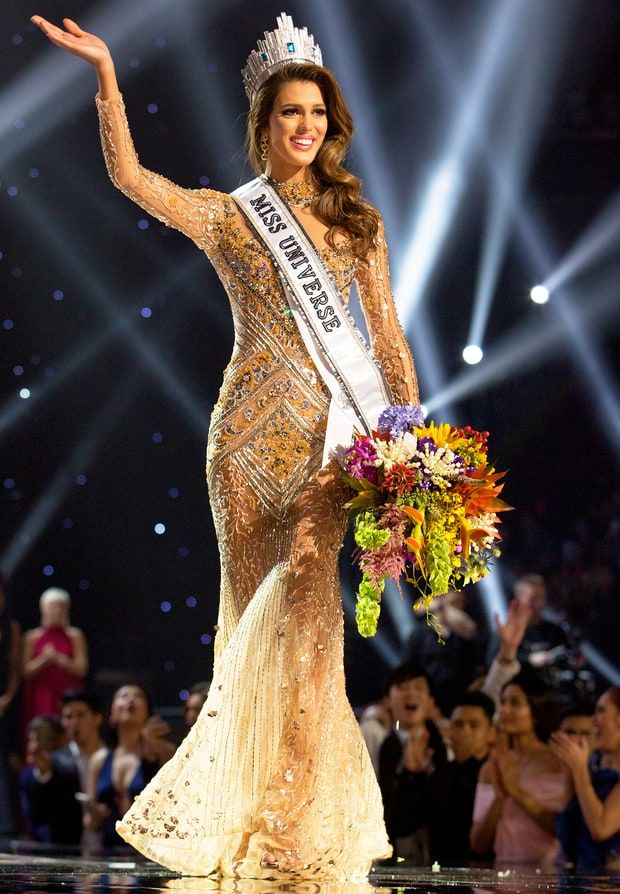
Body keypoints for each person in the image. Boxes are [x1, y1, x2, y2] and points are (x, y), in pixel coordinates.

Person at [30, 11, 417, 879]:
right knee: (251, 629)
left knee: (313, 629)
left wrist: (407, 454)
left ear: (332, 122)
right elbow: (130, 177)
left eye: (317, 112)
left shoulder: (361, 226)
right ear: (264, 124)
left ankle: (288, 819)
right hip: (241, 443)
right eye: (290, 113)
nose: (306, 126)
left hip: (328, 449)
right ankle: (245, 809)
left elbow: (388, 350)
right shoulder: (231, 219)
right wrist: (105, 78)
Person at [470, 670, 569, 867]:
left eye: (515, 703)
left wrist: (517, 792)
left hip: (551, 876)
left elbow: (566, 831)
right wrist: (499, 799)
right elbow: (478, 844)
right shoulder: (493, 766)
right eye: (503, 702)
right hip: (504, 873)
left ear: (537, 709)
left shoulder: (560, 761)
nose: (505, 710)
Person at [85, 684, 175, 851]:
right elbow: (89, 823)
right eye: (123, 696)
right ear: (112, 714)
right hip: (107, 856)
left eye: (138, 696)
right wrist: (94, 813)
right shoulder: (99, 759)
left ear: (148, 711)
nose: (130, 699)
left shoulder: (163, 753)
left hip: (149, 855)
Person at [378, 663, 448, 864]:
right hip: (388, 857)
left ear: (430, 700)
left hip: (438, 856)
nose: (411, 694)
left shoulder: (446, 746)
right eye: (402, 688)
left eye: (418, 688)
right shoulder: (375, 743)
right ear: (387, 701)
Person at [551, 687, 620, 869]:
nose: (593, 721)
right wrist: (570, 769)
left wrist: (579, 770)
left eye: (601, 711)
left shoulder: (587, 770)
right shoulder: (595, 765)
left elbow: (600, 828)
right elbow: (568, 829)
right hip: (583, 876)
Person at [431, 691, 496, 866]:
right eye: (458, 724)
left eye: (474, 725)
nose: (465, 731)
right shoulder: (440, 772)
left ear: (491, 732)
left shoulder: (496, 776)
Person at [22, 588, 88, 734]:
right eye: (53, 606)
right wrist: (45, 659)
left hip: (67, 696)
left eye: (61, 606)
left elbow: (82, 669)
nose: (58, 610)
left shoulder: (75, 635)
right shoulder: (32, 636)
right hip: (40, 696)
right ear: (43, 609)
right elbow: (25, 672)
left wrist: (59, 659)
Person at [19, 715, 83, 846]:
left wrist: (49, 769)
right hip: (37, 849)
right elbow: (30, 814)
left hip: (69, 847)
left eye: (44, 739)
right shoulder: (27, 776)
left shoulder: (70, 767)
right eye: (33, 739)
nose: (35, 745)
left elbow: (70, 813)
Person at [0, 573, 21, 836]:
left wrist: (6, 698)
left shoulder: (11, 627)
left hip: (5, 703)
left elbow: (16, 669)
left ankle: (7, 825)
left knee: (6, 761)